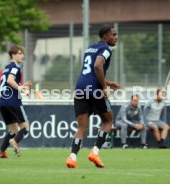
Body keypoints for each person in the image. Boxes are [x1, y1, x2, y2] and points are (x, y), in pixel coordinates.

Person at [66, 24, 120, 168]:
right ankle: (94, 152)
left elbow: (90, 72)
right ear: (105, 36)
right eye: (113, 35)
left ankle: (72, 157)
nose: (116, 37)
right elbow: (97, 66)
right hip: (95, 90)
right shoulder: (106, 49)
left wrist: (107, 82)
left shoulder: (90, 48)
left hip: (80, 88)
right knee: (108, 121)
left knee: (81, 127)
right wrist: (103, 87)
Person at [0, 45, 32, 158]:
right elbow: (10, 81)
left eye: (22, 53)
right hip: (13, 102)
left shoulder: (7, 68)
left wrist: (22, 85)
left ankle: (1, 151)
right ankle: (15, 142)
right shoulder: (16, 67)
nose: (22, 55)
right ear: (13, 55)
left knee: (13, 130)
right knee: (25, 128)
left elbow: (9, 83)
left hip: (3, 103)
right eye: (19, 53)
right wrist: (21, 89)